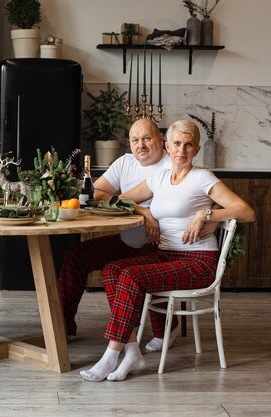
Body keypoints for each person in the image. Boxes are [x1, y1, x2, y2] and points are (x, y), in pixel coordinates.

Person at [79, 119, 255, 382]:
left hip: (198, 261)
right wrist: (144, 210)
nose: (181, 150)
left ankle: (111, 354)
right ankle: (131, 351)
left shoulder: (202, 177)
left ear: (195, 150)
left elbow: (246, 212)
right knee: (113, 269)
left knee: (131, 275)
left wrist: (207, 214)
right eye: (176, 144)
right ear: (167, 146)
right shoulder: (158, 178)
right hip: (166, 254)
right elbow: (117, 199)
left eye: (188, 145)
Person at [59, 118, 198, 352]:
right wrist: (142, 210)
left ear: (162, 140)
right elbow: (99, 192)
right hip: (127, 239)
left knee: (125, 270)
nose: (140, 145)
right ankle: (63, 325)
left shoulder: (173, 164)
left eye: (146, 138)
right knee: (76, 255)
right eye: (135, 140)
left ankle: (165, 327)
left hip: (160, 245)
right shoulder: (125, 163)